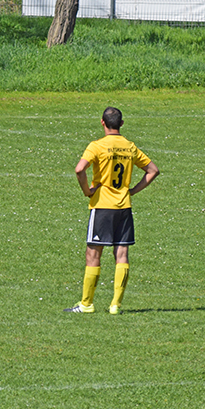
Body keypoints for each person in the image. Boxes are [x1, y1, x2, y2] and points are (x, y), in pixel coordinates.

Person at [64, 107, 159, 315]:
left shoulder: (97, 146)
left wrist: (87, 191)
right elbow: (153, 170)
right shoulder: (130, 147)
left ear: (102, 122)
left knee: (93, 254)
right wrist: (132, 191)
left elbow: (79, 169)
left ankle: (86, 304)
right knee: (122, 254)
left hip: (102, 207)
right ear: (121, 124)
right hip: (124, 207)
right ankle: (115, 305)